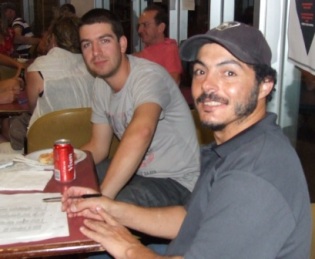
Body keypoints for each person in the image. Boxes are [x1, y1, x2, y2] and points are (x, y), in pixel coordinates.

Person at [62, 21, 311, 258]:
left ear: (265, 85)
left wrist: (128, 249)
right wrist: (111, 208)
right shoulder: (235, 146)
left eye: (229, 72)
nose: (208, 85)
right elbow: (189, 218)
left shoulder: (253, 176)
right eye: (201, 71)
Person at [77, 8, 199, 207]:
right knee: (75, 178)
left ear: (122, 44)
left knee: (119, 205)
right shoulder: (101, 84)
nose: (96, 52)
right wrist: (60, 163)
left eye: (105, 40)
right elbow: (98, 147)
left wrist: (103, 199)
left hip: (177, 181)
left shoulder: (148, 76)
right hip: (139, 173)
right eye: (87, 45)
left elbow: (142, 131)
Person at [1, 15, 94, 151]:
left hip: (47, 139)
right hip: (88, 135)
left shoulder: (38, 68)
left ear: (53, 38)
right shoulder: (93, 64)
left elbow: (33, 109)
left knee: (8, 125)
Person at [133, 5, 182, 85]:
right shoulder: (146, 49)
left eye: (145, 25)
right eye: (139, 26)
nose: (139, 30)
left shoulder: (169, 49)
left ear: (161, 28)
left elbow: (173, 83)